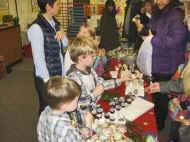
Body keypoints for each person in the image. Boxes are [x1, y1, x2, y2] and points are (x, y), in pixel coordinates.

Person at [140, 0, 188, 130]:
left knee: (162, 99)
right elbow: (152, 28)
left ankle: (159, 127)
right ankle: (156, 123)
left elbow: (176, 41)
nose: (160, 1)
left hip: (168, 64)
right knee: (156, 96)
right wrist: (144, 31)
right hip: (156, 62)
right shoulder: (158, 11)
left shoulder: (177, 14)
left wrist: (153, 39)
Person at [66, 37, 129, 126]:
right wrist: (94, 94)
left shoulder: (90, 70)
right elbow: (78, 105)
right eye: (92, 56)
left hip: (93, 110)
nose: (95, 58)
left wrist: (120, 80)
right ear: (81, 58)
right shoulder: (74, 78)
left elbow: (102, 84)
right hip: (82, 120)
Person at [27, 0, 68, 113]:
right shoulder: (36, 28)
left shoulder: (55, 23)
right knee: (46, 109)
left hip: (58, 73)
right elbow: (38, 59)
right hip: (46, 78)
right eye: (57, 4)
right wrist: (47, 82)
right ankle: (42, 130)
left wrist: (62, 33)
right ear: (48, 7)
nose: (59, 6)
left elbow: (64, 44)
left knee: (57, 107)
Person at [37, 76, 93, 142]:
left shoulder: (46, 111)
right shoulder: (67, 130)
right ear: (64, 105)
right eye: (76, 100)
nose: (77, 102)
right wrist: (89, 125)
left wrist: (78, 131)